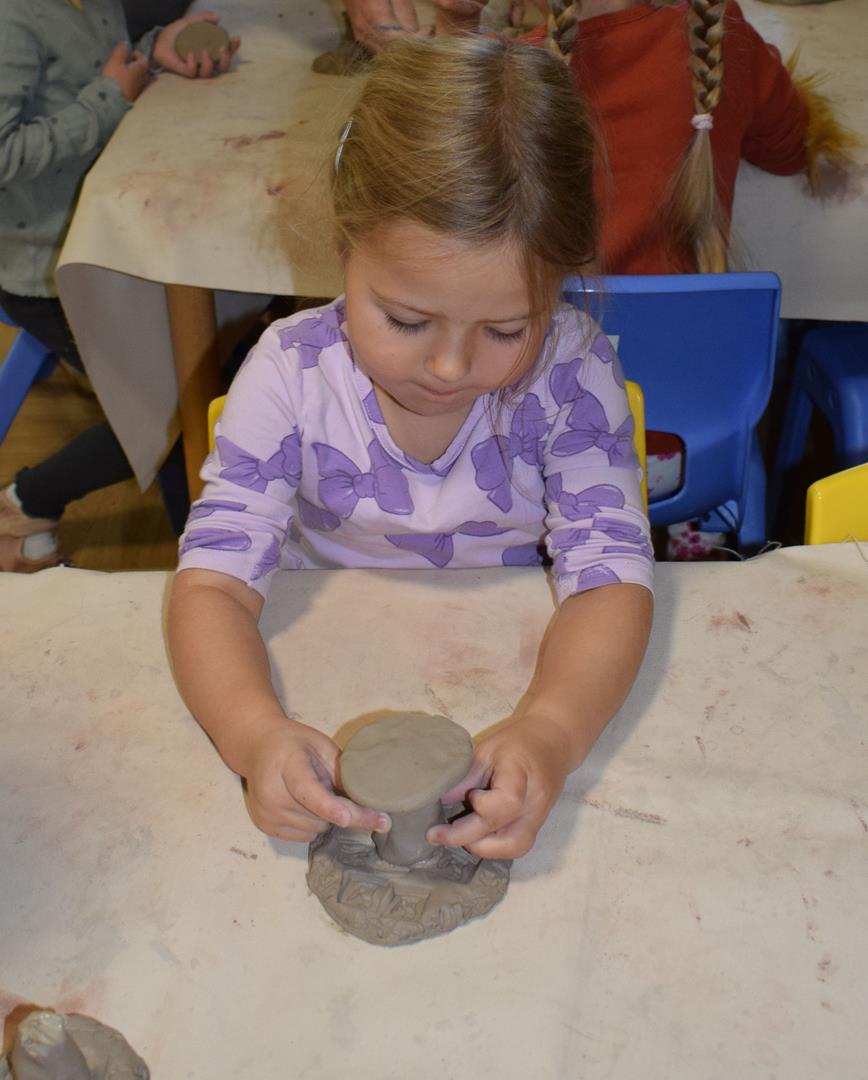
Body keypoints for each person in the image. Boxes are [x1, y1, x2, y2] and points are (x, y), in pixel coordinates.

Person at [167, 35, 654, 861]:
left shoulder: (572, 374)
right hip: (320, 673)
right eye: (406, 319)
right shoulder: (288, 373)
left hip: (514, 666)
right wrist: (251, 732)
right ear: (343, 247)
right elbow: (212, 586)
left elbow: (610, 578)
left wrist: (552, 730)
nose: (450, 367)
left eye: (507, 329)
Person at [0, 1, 240, 572]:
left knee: (202, 379)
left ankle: (207, 548)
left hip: (111, 241)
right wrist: (109, 97)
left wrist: (153, 51)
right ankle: (26, 504)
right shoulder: (11, 20)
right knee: (175, 410)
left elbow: (91, 66)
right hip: (50, 271)